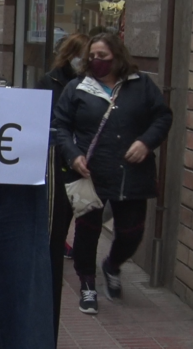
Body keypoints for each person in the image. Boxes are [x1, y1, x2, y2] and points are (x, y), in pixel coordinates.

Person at [53, 33, 173, 315]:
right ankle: (87, 284)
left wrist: (146, 142)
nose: (97, 62)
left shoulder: (141, 85)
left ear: (118, 57)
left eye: (103, 57)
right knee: (87, 231)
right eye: (92, 57)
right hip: (90, 174)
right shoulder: (77, 87)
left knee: (132, 232)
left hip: (131, 174)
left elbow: (163, 117)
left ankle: (112, 265)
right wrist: (72, 154)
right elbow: (61, 126)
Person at [36, 32, 89, 341]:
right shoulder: (50, 82)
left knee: (88, 222)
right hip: (56, 168)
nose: (87, 62)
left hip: (82, 166)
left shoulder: (90, 87)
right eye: (83, 55)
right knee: (55, 233)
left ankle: (88, 281)